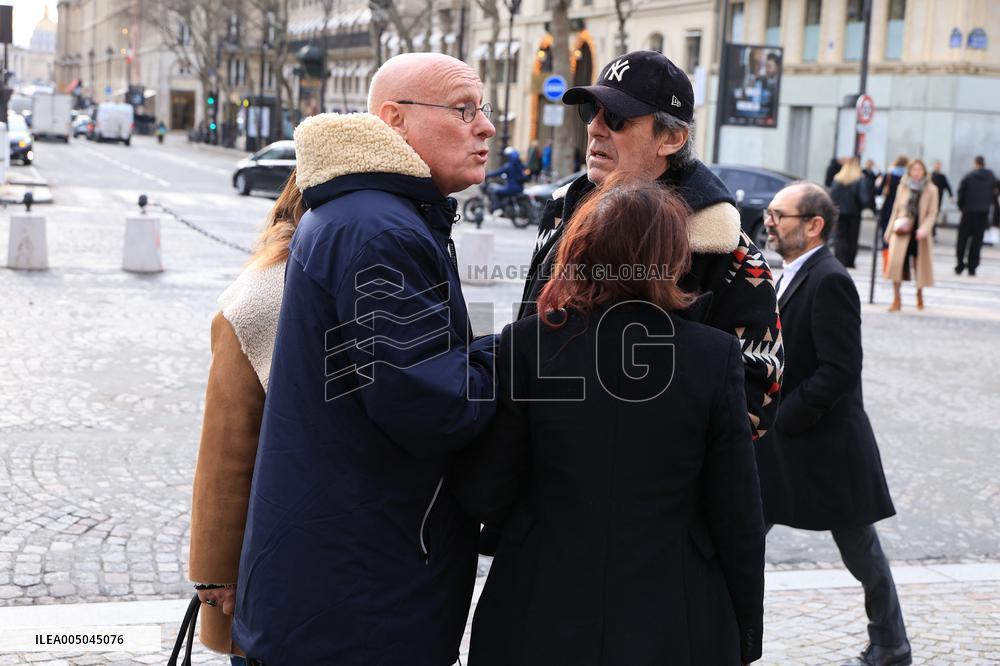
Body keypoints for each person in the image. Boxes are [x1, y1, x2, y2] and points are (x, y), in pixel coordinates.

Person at [231, 53, 498, 664]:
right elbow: (435, 409)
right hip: (360, 598)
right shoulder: (382, 231)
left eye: (482, 110)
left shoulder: (365, 215)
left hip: (339, 581)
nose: (485, 126)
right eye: (463, 110)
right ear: (395, 120)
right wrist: (513, 352)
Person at [455, 173, 766, 666]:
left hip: (540, 603)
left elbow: (487, 490)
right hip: (673, 610)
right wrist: (747, 632)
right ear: (674, 258)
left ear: (580, 249)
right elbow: (737, 511)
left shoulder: (528, 344)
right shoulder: (714, 356)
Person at [523, 50, 782, 443]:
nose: (595, 128)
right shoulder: (562, 209)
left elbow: (757, 399)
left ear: (672, 138)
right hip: (548, 460)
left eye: (616, 117)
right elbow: (529, 330)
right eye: (591, 112)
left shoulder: (726, 248)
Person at [758, 182, 910, 666]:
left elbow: (840, 370)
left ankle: (891, 643)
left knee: (860, 550)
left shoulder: (830, 279)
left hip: (826, 447)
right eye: (770, 213)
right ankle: (716, 628)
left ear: (813, 225)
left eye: (779, 215)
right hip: (789, 444)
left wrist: (783, 416)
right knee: (740, 529)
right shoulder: (789, 273)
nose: (768, 222)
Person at [188, 171, 305, 663]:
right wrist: (215, 572)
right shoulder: (268, 292)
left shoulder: (295, 275)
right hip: (266, 569)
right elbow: (226, 447)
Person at [884, 159, 937, 311]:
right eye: (914, 170)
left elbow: (933, 213)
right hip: (902, 231)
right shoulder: (903, 186)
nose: (916, 173)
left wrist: (924, 229)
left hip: (920, 232)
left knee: (918, 266)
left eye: (919, 170)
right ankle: (896, 299)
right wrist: (889, 230)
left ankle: (919, 295)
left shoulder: (931, 189)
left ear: (924, 171)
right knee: (896, 265)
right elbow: (895, 209)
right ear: (909, 171)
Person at [956, 155, 997, 276]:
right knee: (977, 242)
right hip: (983, 213)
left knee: (962, 240)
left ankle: (960, 264)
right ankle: (972, 267)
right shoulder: (991, 177)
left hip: (968, 212)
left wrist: (962, 207)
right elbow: (996, 191)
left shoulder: (969, 176)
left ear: (975, 163)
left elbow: (961, 193)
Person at [829, 156, 871, 268]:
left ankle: (840, 259)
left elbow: (833, 195)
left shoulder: (838, 178)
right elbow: (864, 197)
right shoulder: (860, 179)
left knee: (840, 236)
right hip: (854, 212)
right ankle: (850, 261)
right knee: (852, 237)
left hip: (840, 212)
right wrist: (866, 206)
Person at [485, 146, 529, 213]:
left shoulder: (508, 166)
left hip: (511, 189)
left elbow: (497, 172)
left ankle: (496, 207)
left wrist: (487, 175)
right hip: (520, 188)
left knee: (493, 189)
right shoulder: (521, 165)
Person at [878, 155, 908, 238]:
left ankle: (886, 244)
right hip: (902, 206)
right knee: (898, 228)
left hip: (888, 204)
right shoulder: (907, 176)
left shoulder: (889, 174)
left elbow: (879, 191)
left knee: (885, 226)